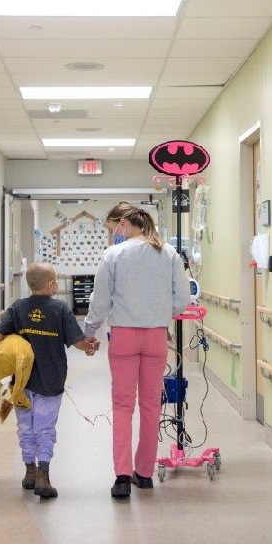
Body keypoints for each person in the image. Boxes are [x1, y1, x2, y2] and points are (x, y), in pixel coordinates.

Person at [84, 202, 189, 498]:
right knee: (151, 404)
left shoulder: (114, 254)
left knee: (122, 405)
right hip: (156, 336)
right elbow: (182, 299)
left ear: (123, 225)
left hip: (124, 337)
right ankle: (143, 474)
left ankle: (121, 476)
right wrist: (159, 311)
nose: (113, 234)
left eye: (113, 228)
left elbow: (100, 300)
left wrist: (89, 332)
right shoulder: (168, 253)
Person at [0, 262, 98, 499]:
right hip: (51, 380)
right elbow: (78, 342)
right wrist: (90, 347)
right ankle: (43, 475)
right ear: (52, 285)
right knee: (45, 428)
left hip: (21, 382)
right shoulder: (60, 309)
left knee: (25, 427)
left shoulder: (18, 308)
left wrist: (9, 355)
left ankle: (29, 472)